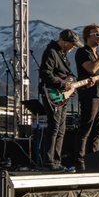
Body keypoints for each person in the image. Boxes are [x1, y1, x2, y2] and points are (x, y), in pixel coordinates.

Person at [38, 29, 81, 171]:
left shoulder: (62, 55)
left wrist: (74, 83)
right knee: (54, 127)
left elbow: (65, 75)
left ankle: (56, 160)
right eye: (72, 44)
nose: (74, 47)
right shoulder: (51, 52)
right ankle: (49, 162)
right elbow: (45, 73)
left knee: (61, 129)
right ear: (64, 42)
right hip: (52, 95)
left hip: (61, 96)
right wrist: (62, 85)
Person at [73, 24, 99, 170]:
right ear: (87, 36)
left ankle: (94, 159)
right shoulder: (83, 52)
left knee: (97, 131)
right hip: (89, 95)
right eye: (96, 34)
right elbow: (92, 69)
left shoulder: (96, 54)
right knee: (86, 128)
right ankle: (79, 161)